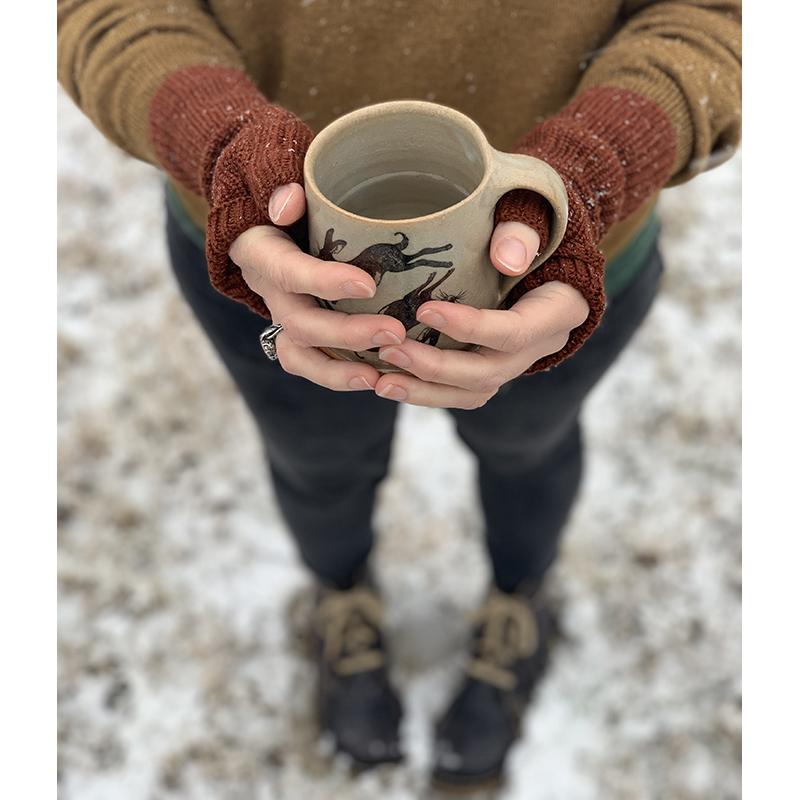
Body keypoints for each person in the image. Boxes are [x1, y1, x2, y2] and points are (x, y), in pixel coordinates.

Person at [58, 0, 741, 791]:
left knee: (528, 451)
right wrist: (221, 141)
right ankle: (342, 599)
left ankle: (518, 600)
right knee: (316, 460)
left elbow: (718, 19)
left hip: (564, 265)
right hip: (263, 262)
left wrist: (591, 170)